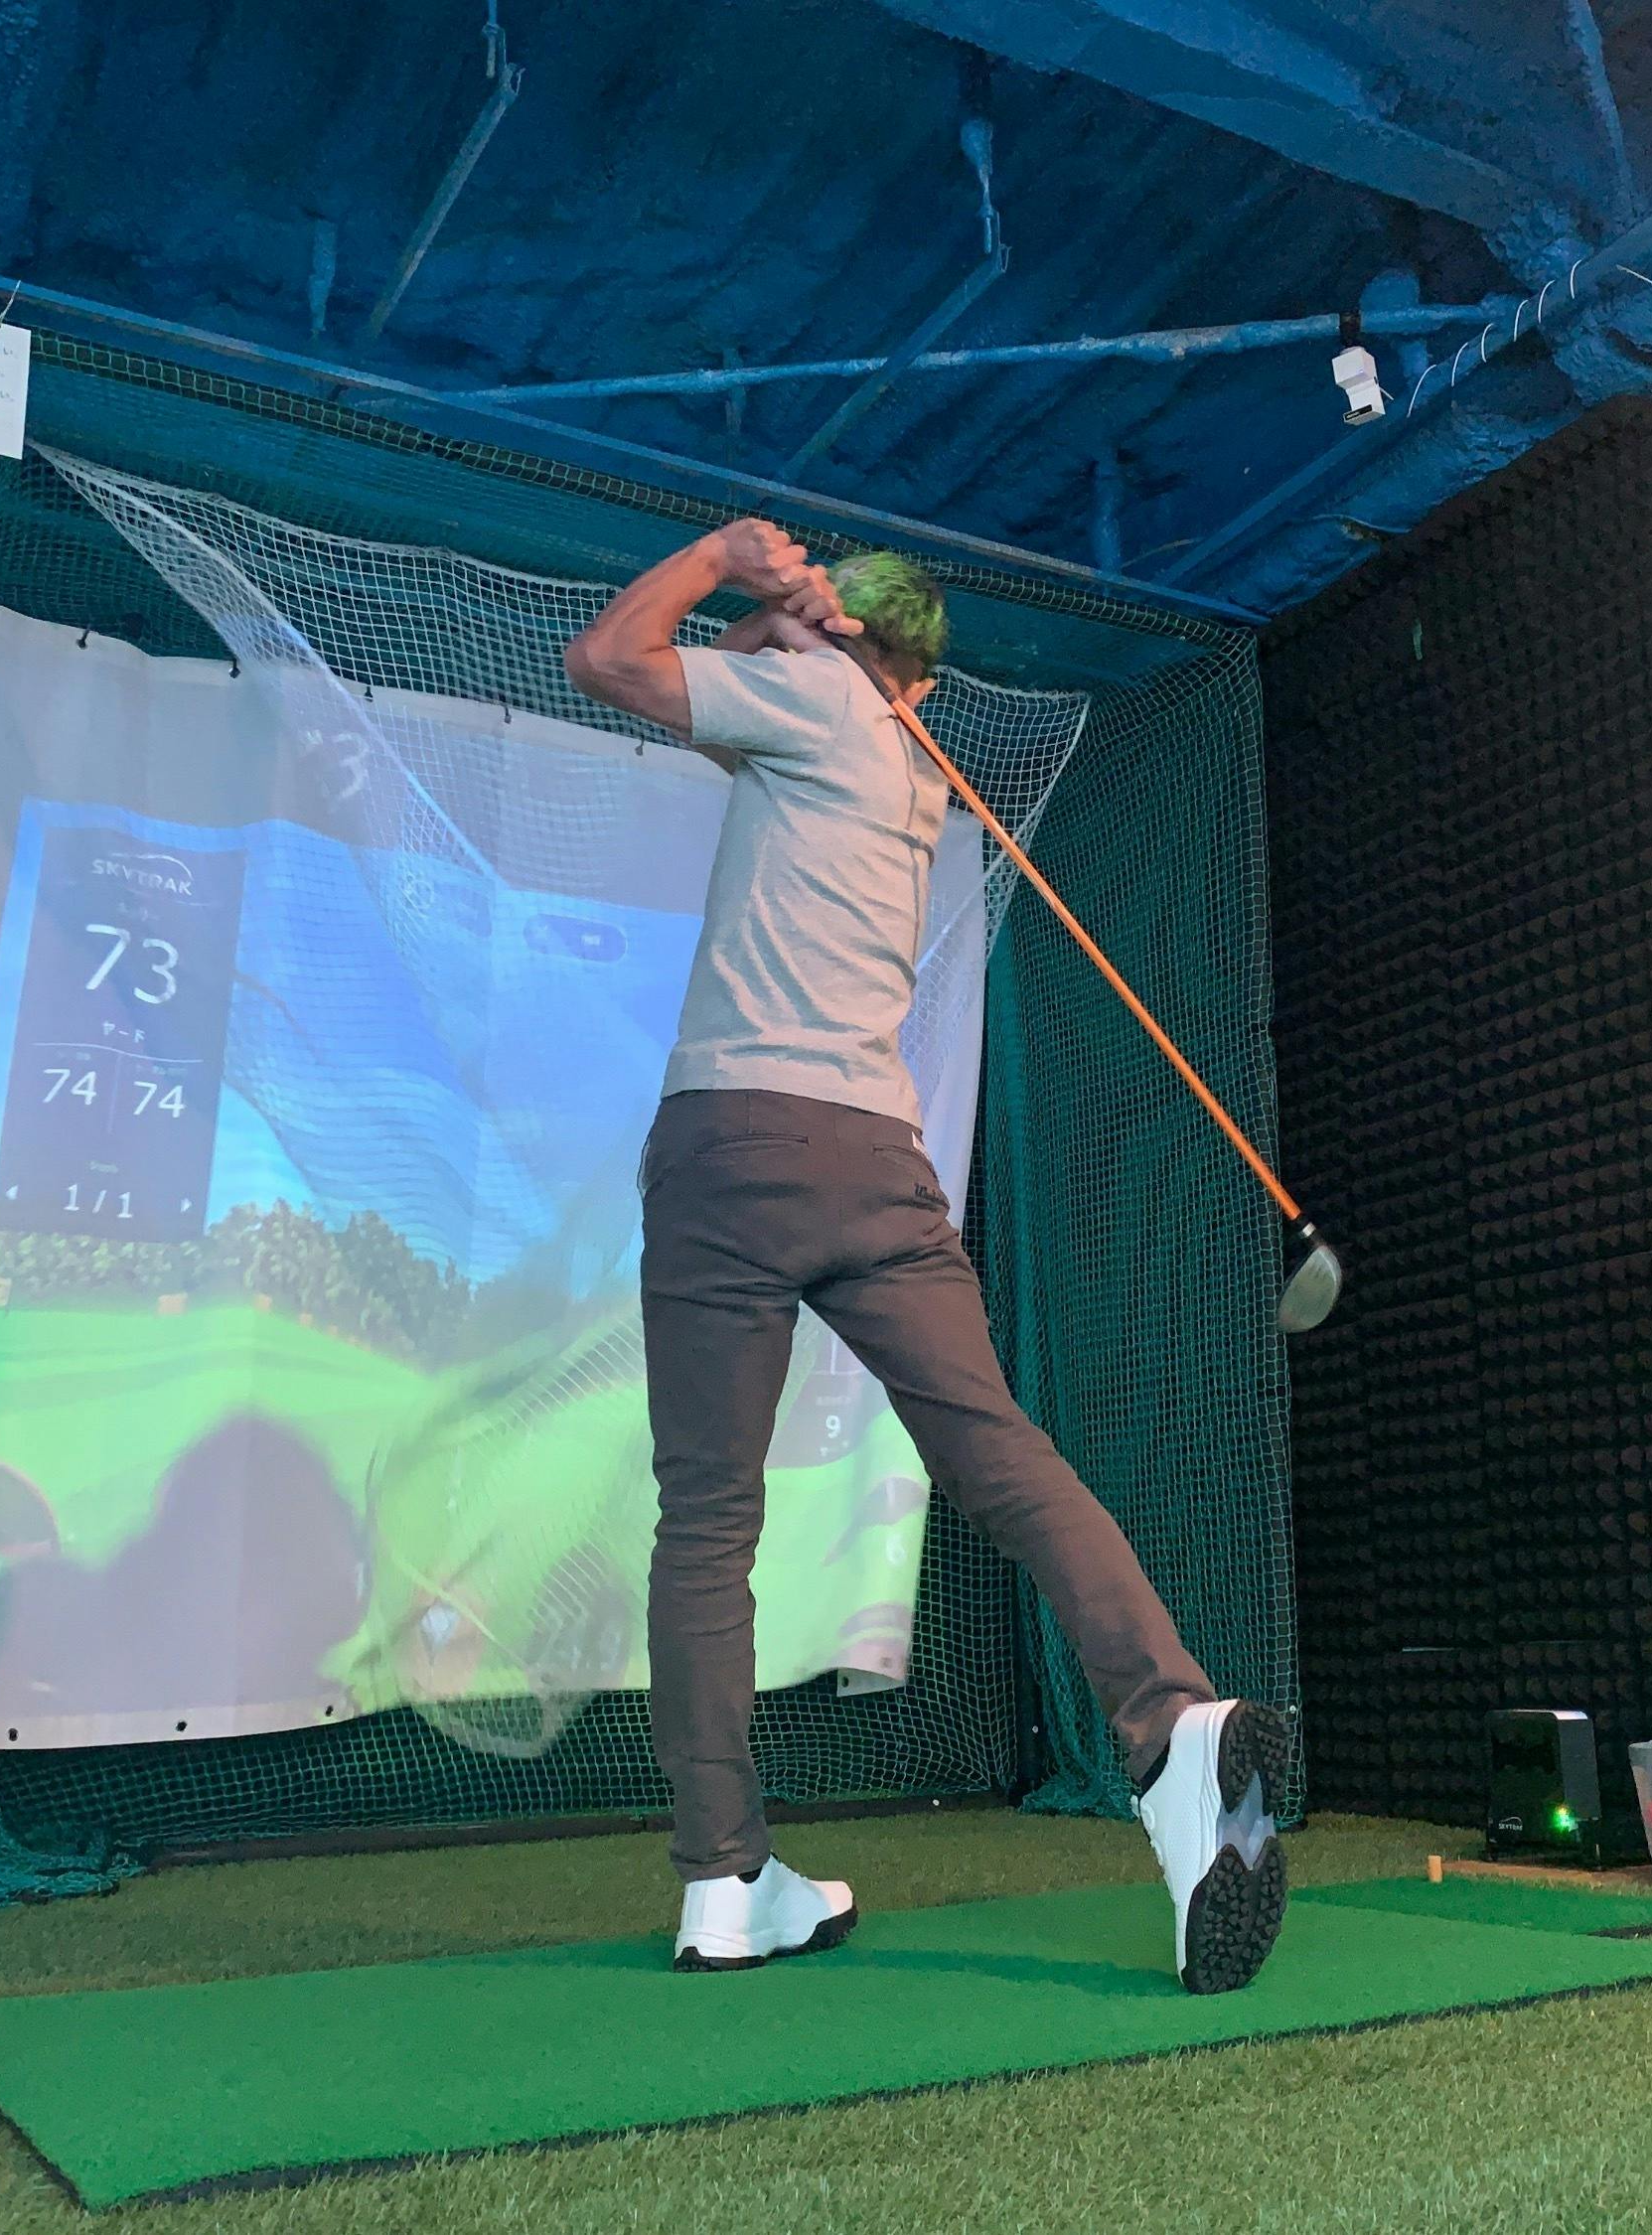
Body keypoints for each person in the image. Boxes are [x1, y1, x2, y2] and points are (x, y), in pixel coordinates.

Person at [563, 520, 1286, 1994]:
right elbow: (749, 690)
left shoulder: (809, 701)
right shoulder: (911, 765)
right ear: (931, 684)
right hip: (877, 1166)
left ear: (837, 642)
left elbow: (609, 659)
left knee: (707, 1520)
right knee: (1003, 1452)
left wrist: (728, 559)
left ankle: (722, 1875)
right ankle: (1168, 1721)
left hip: (730, 1150)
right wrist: (793, 628)